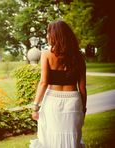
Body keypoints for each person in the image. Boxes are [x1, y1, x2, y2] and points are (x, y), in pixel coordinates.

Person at [29, 20, 87, 148]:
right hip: (73, 101)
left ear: (54, 35)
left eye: (48, 33)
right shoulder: (79, 57)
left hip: (52, 101)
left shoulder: (47, 55)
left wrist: (35, 106)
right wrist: (83, 109)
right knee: (72, 137)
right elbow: (82, 87)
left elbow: (43, 82)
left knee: (50, 138)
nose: (47, 36)